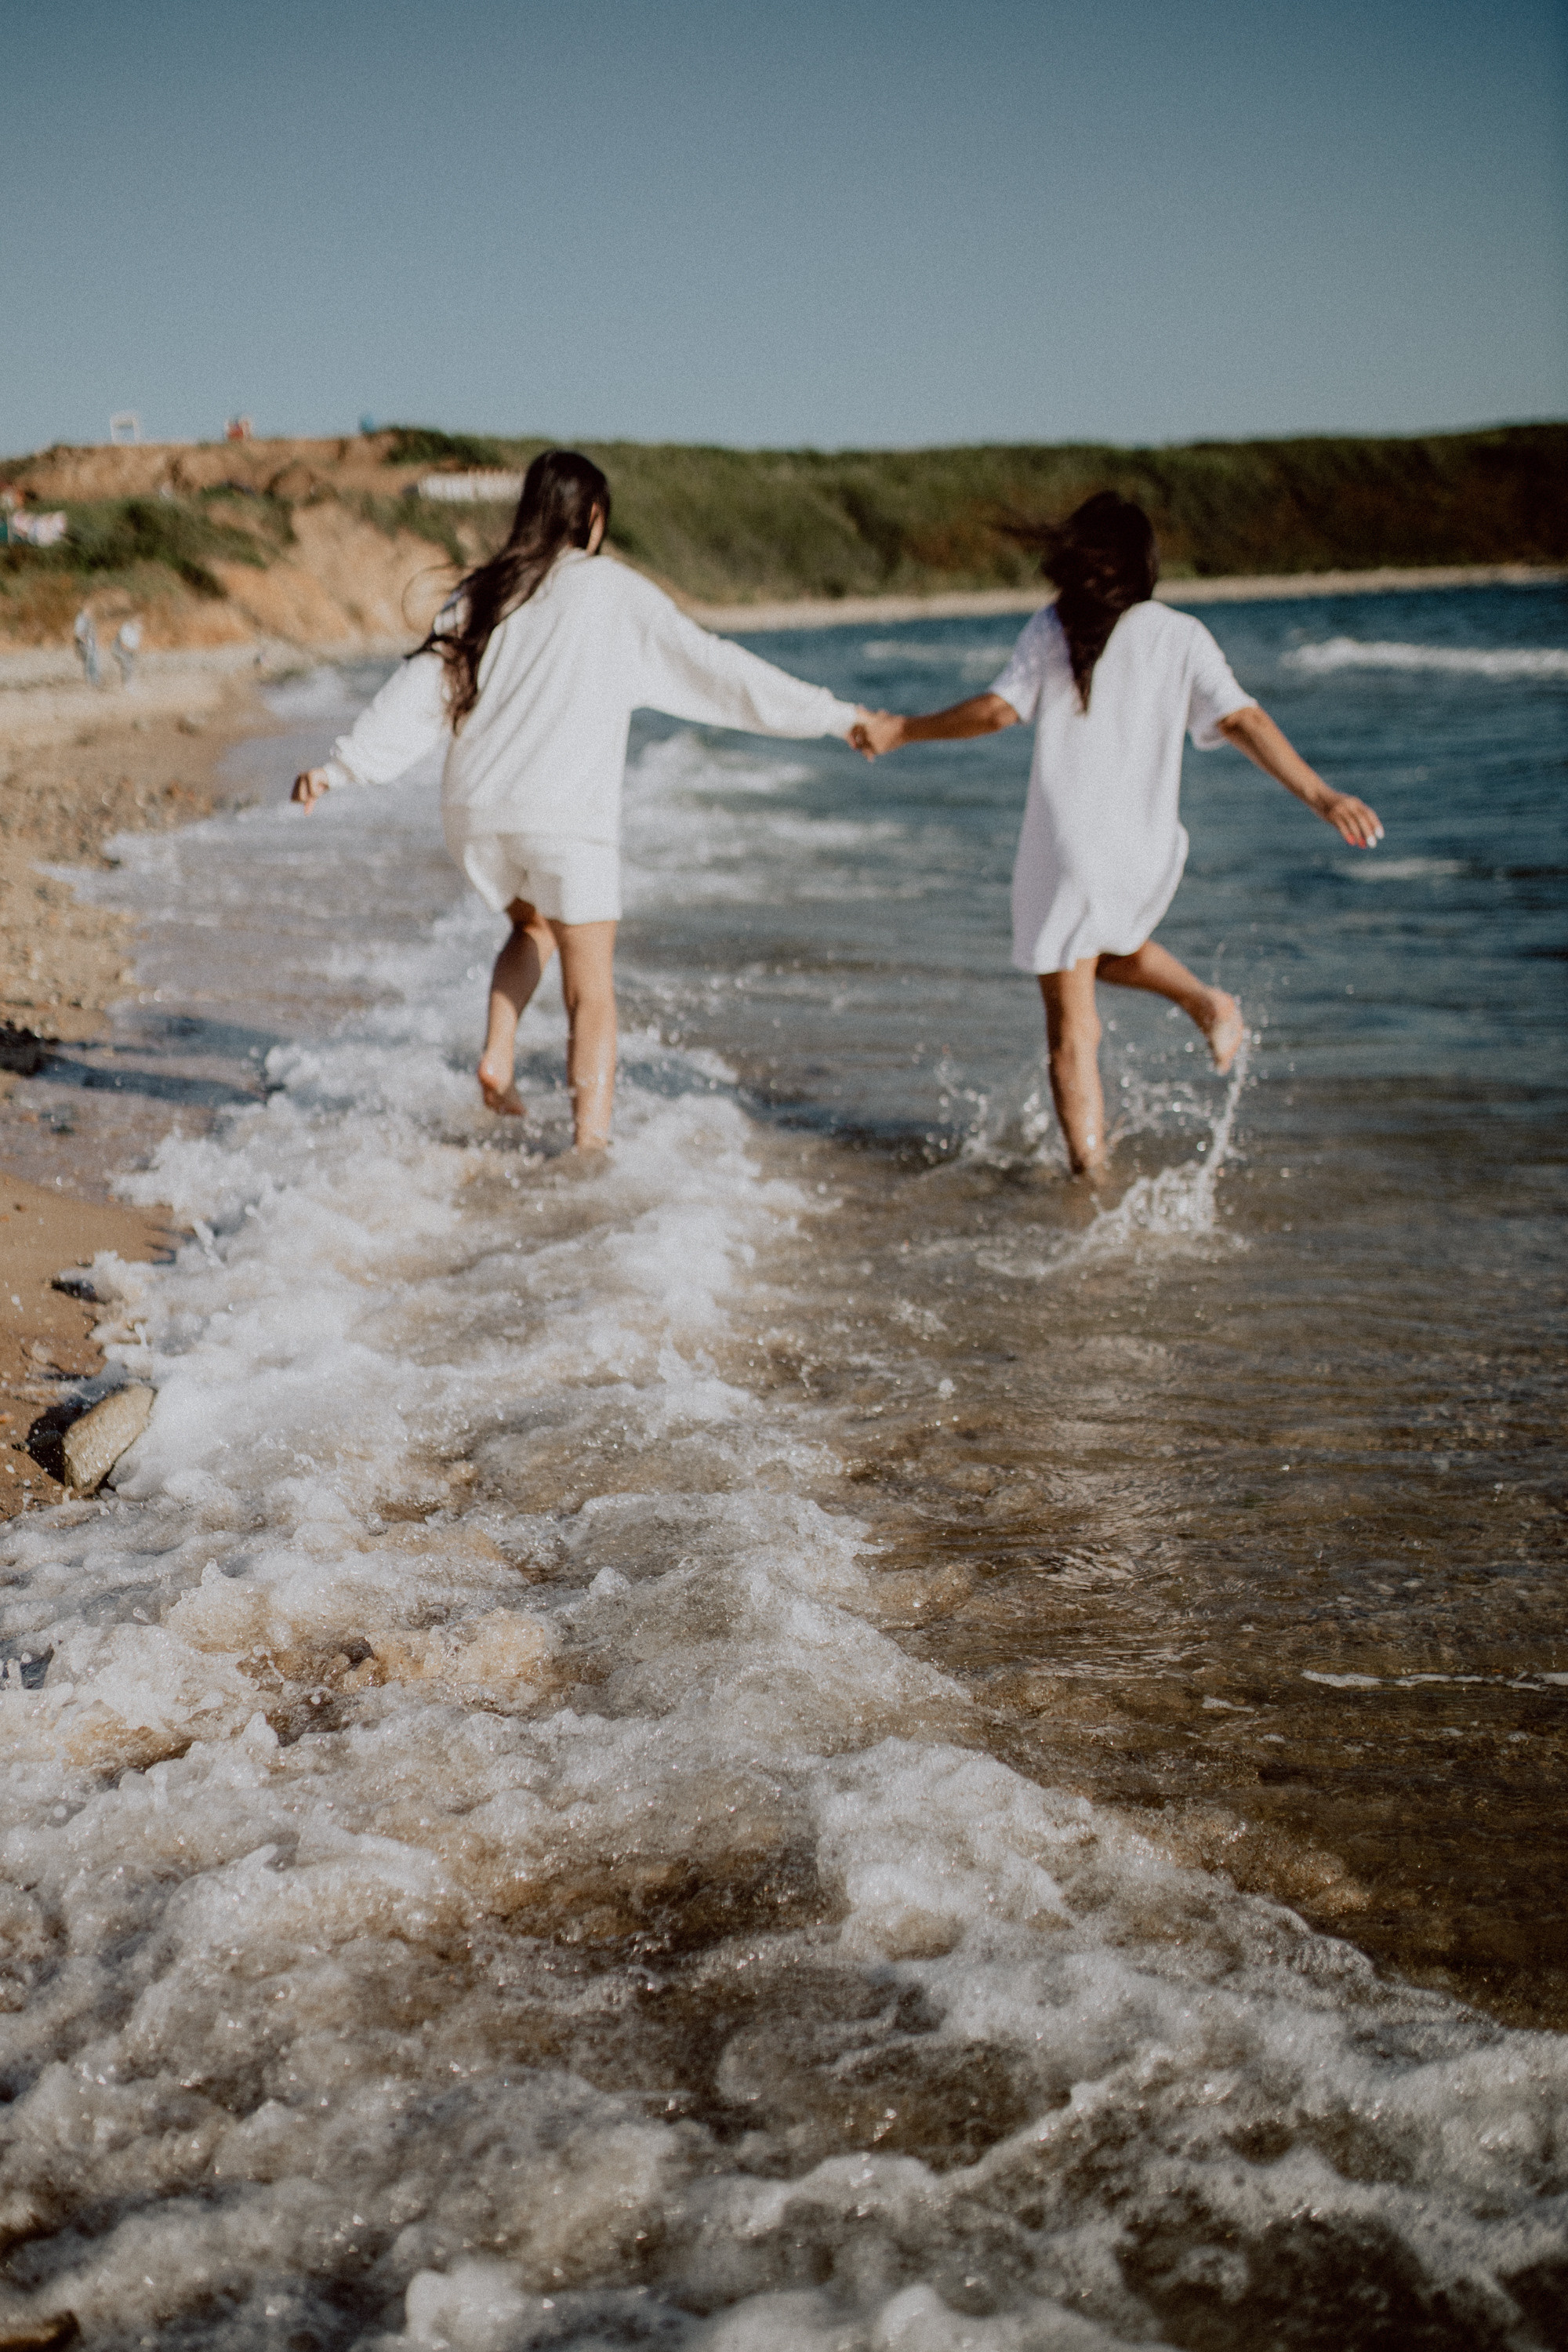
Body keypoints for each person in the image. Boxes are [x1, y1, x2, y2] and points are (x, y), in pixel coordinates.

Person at [292, 450, 878, 1151]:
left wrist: (341, 766)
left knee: (532, 927)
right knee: (590, 990)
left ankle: (499, 1054)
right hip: (564, 817)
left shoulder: (485, 591)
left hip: (477, 811)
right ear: (593, 520)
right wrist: (836, 715)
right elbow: (719, 672)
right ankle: (590, 1148)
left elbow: (421, 688)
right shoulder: (613, 592)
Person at [852, 493, 1383, 1178]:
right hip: (1144, 848)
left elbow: (996, 711)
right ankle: (1206, 1002)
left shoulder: (1057, 627)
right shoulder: (1182, 634)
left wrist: (903, 729)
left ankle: (1090, 1180)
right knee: (1102, 956)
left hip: (1070, 850)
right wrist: (1321, 793)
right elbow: (1242, 719)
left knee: (1072, 1030)